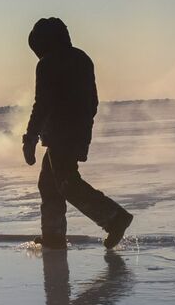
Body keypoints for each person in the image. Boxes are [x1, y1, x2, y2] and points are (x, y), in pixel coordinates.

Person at [21, 17, 133, 249]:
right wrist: (83, 126)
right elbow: (93, 101)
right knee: (49, 183)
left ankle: (114, 217)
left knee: (67, 182)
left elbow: (42, 103)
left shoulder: (48, 63)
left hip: (62, 133)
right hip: (77, 129)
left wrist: (30, 137)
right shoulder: (82, 58)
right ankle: (53, 236)